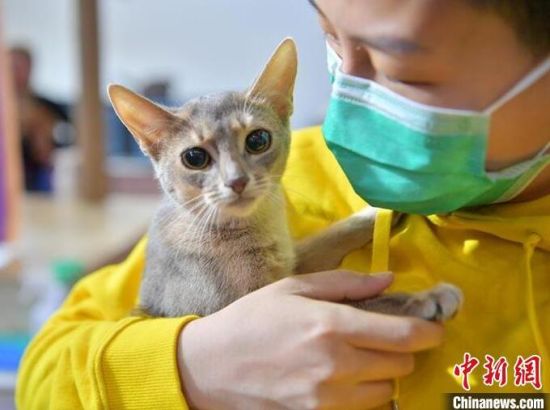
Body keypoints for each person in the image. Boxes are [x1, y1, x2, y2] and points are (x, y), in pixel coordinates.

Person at [16, 1, 549, 409]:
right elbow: (41, 375)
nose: (351, 86)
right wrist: (188, 365)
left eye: (402, 68)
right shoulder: (287, 186)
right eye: (332, 38)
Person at [10, 46, 70, 192]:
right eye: (11, 67)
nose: (15, 73)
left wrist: (44, 133)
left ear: (30, 68)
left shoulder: (46, 107)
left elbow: (70, 136)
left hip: (38, 178)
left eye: (20, 67)